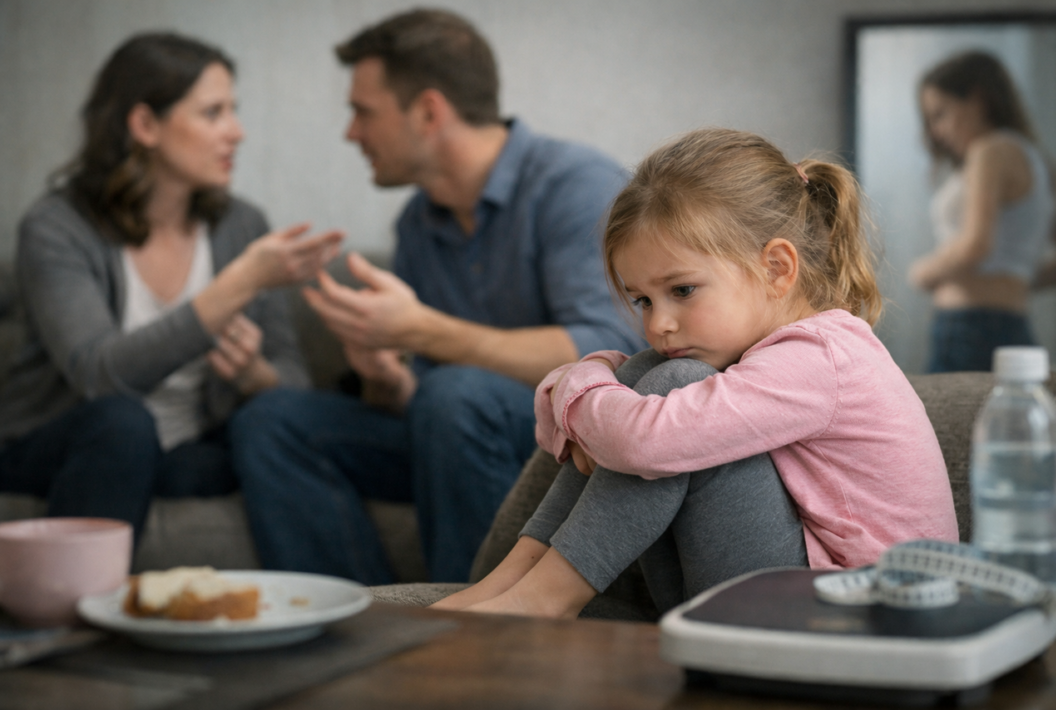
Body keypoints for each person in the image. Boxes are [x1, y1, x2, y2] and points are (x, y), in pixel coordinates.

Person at [433, 128, 959, 619]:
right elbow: (571, 432)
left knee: (671, 386)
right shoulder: (766, 353)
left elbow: (645, 443)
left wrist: (579, 388)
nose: (658, 323)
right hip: (783, 597)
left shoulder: (823, 355)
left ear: (776, 268)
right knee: (652, 373)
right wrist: (593, 386)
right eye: (642, 300)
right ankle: (510, 581)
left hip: (857, 618)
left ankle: (544, 600)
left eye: (682, 290)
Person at [231, 8, 643, 584]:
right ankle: (363, 625)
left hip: (562, 446)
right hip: (448, 429)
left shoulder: (576, 186)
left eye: (362, 112)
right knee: (271, 419)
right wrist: (385, 375)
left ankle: (471, 639)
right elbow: (420, 399)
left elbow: (608, 349)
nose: (351, 132)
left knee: (456, 395)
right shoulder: (417, 224)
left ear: (428, 111)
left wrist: (419, 329)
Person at [0, 33, 342, 539]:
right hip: (68, 438)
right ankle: (69, 615)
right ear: (144, 125)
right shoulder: (57, 227)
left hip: (188, 446)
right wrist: (240, 282)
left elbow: (294, 383)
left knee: (248, 440)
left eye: (235, 111)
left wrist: (255, 376)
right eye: (213, 113)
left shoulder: (240, 225)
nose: (237, 132)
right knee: (123, 424)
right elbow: (98, 374)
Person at [909, 50, 1056, 373]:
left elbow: (975, 246)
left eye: (940, 114)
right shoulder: (1039, 162)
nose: (936, 131)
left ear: (978, 99)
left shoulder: (989, 151)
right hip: (1011, 323)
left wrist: (924, 272)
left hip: (969, 327)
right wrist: (1016, 278)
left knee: (948, 424)